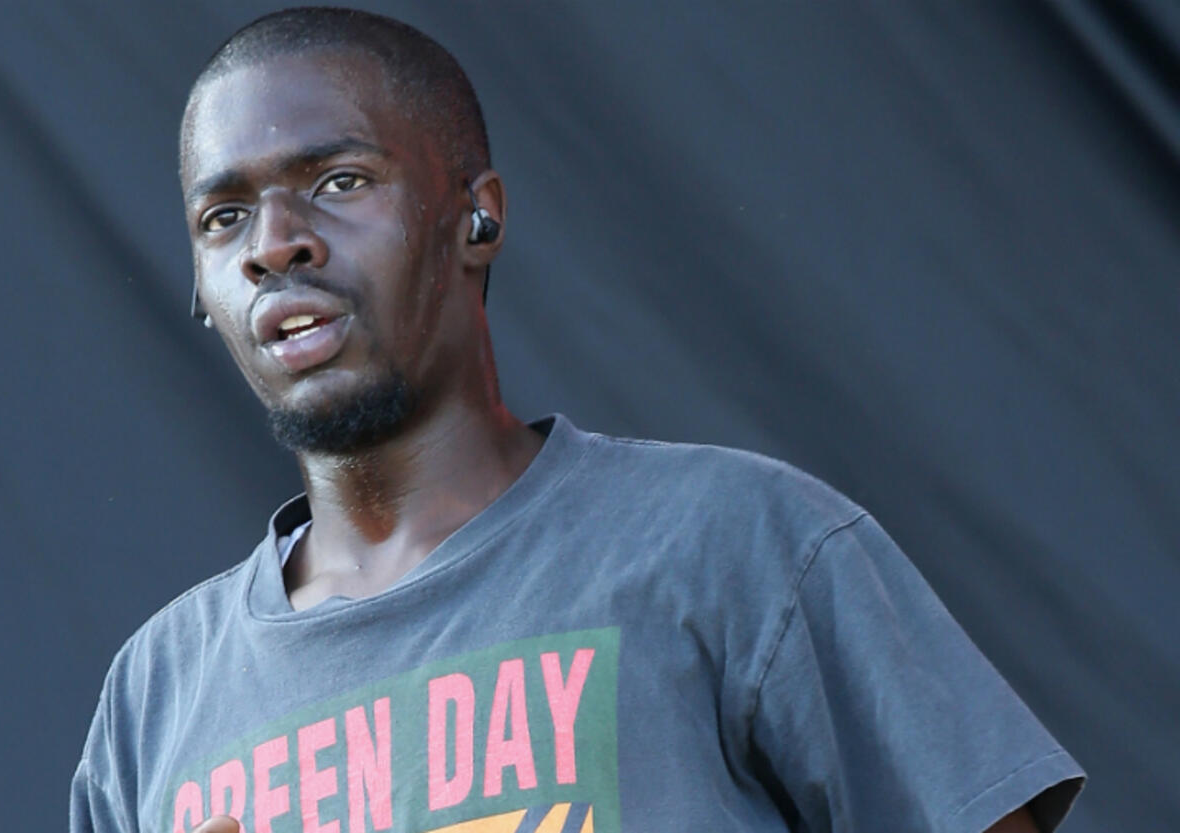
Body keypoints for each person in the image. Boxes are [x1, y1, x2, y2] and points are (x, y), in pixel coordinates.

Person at [71, 8, 1083, 832]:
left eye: (339, 181)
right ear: (200, 288)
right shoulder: (154, 698)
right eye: (224, 218)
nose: (274, 244)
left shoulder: (737, 544)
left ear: (477, 216)